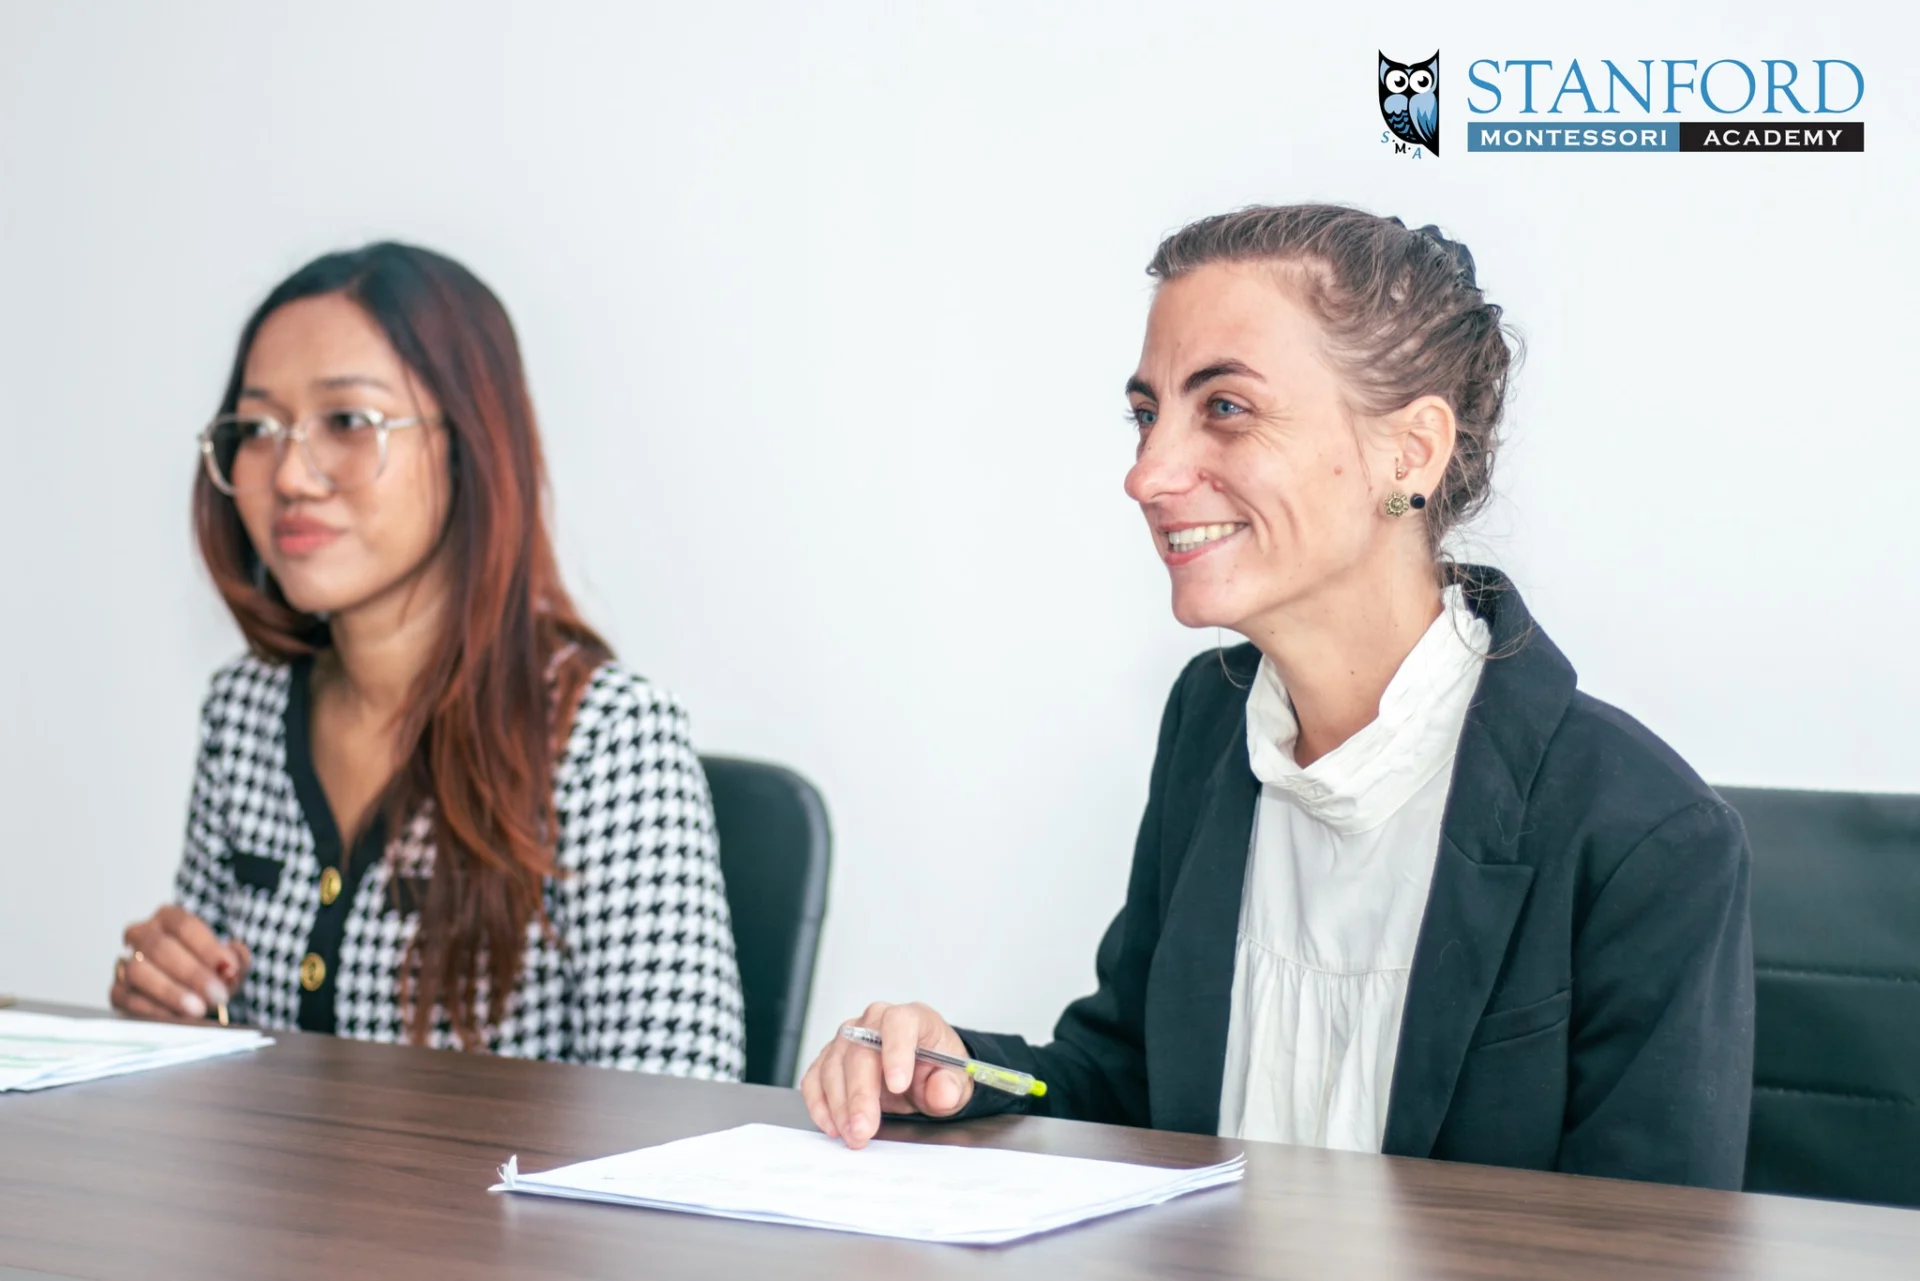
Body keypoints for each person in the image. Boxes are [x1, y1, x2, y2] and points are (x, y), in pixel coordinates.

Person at [801, 204, 1754, 1188]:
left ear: (1410, 453)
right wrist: (957, 1070)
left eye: (1224, 407)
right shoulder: (1209, 724)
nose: (1146, 474)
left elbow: (1653, 1242)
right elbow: (1133, 1085)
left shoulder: (1644, 834)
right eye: (1146, 415)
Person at [111, 243, 746, 1078]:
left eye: (349, 421)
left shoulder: (606, 736)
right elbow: (219, 1067)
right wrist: (171, 1006)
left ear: (467, 444)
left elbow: (678, 1104)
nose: (290, 474)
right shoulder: (244, 709)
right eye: (258, 429)